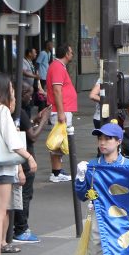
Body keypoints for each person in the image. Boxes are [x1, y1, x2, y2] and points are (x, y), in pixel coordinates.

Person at [0, 73, 38, 255]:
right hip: (3, 167)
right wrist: (29, 157)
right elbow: (12, 141)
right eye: (11, 89)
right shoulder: (2, 111)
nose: (13, 92)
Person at [75, 122, 129, 255]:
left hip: (123, 215)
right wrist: (80, 177)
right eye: (100, 138)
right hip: (99, 214)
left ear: (118, 141)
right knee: (97, 249)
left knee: (122, 249)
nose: (102, 142)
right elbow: (82, 196)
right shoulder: (92, 165)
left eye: (108, 138)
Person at [12, 83, 50, 244]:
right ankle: (21, 228)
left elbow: (25, 127)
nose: (31, 97)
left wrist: (34, 120)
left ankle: (18, 227)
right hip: (24, 158)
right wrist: (44, 121)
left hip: (20, 157)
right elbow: (32, 136)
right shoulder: (18, 111)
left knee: (21, 194)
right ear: (22, 94)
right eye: (29, 94)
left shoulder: (17, 112)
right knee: (24, 194)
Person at [46, 43, 78, 182]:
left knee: (60, 141)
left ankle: (57, 171)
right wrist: (61, 112)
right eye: (71, 52)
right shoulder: (58, 67)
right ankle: (56, 173)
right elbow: (57, 90)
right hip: (61, 110)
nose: (72, 54)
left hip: (62, 109)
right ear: (66, 54)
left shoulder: (57, 66)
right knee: (59, 141)